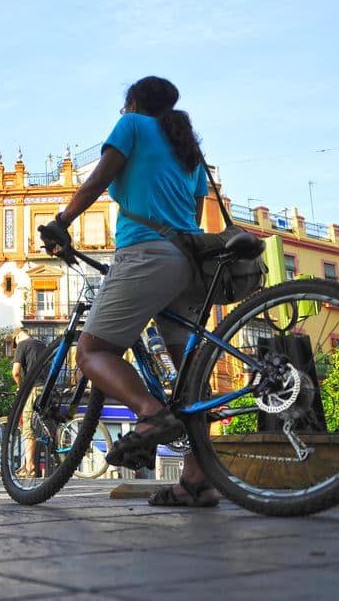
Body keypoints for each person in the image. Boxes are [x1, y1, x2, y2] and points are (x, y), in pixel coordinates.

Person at [40, 76, 216, 508]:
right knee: (191, 378)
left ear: (133, 103)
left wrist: (62, 221)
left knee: (92, 351)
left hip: (146, 255)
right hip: (191, 263)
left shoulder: (133, 126)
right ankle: (196, 481)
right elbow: (192, 216)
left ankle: (150, 413)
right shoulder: (188, 149)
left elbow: (98, 181)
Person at [11, 328, 48, 478]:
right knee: (43, 424)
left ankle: (30, 467)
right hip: (47, 388)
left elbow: (16, 372)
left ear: (17, 337)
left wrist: (21, 387)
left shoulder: (22, 345)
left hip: (33, 389)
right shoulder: (42, 344)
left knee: (29, 428)